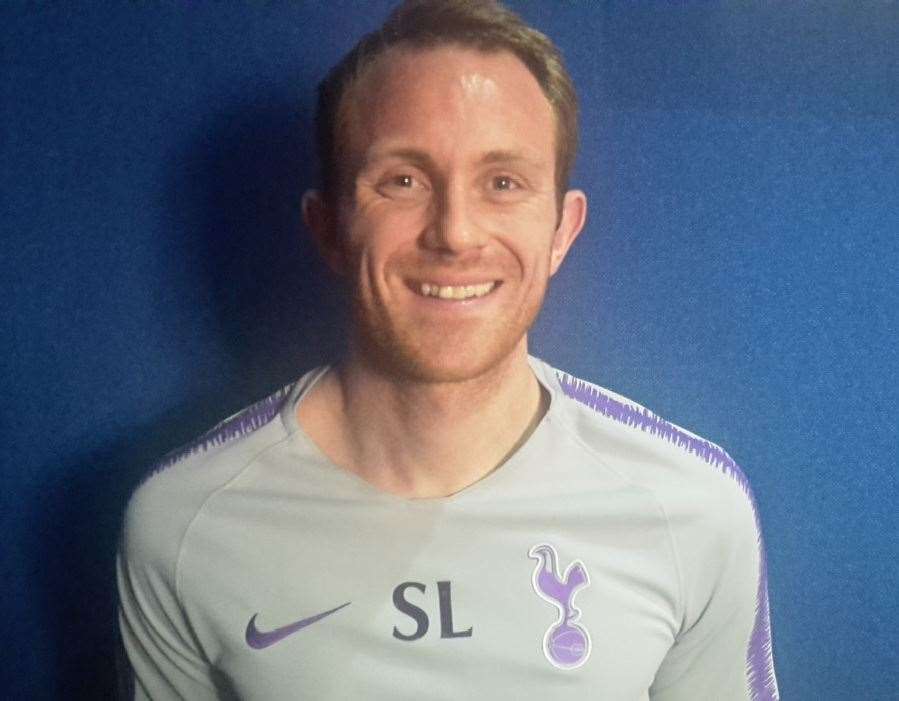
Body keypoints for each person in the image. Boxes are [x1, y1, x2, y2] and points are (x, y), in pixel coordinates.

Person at [116, 1, 779, 698]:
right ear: (328, 229)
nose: (456, 233)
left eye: (503, 183)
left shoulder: (693, 508)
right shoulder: (182, 522)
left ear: (560, 230)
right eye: (401, 180)